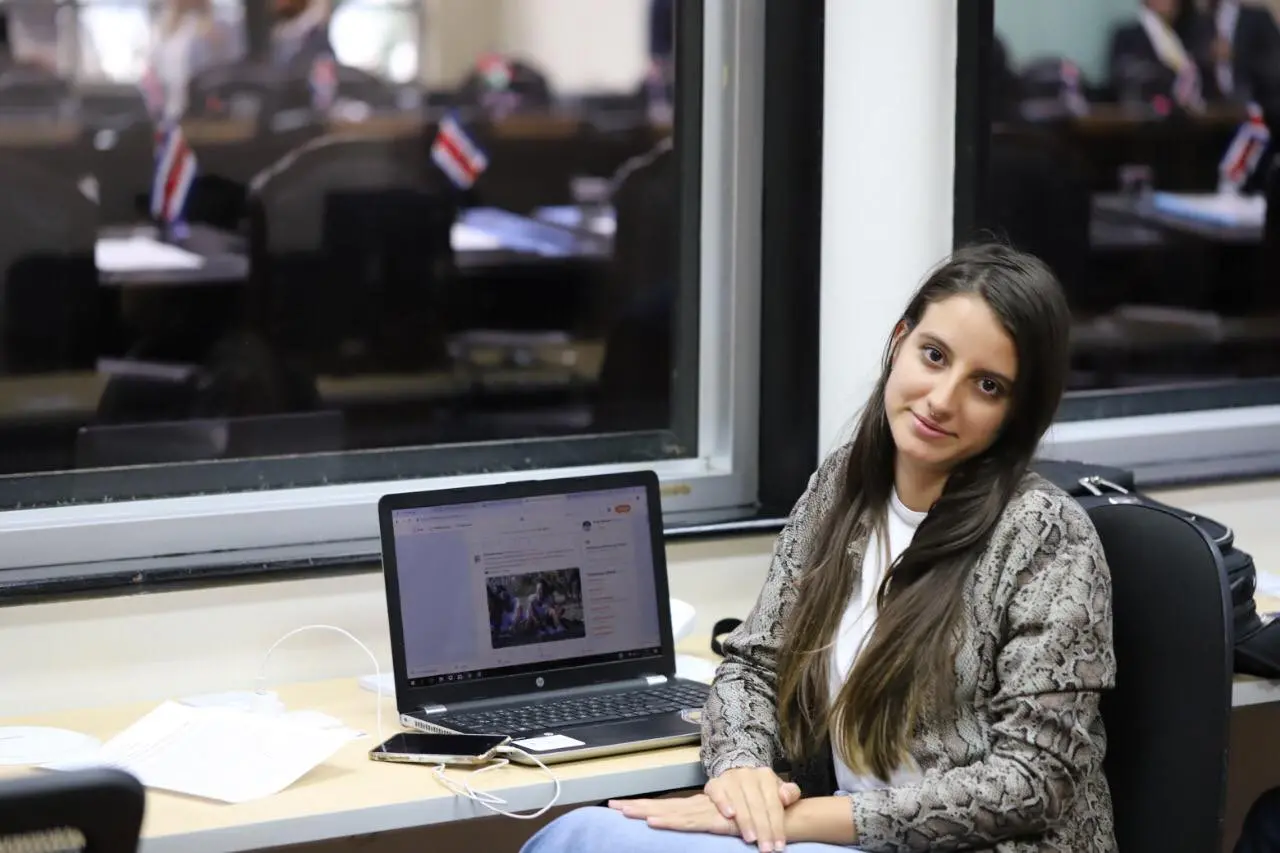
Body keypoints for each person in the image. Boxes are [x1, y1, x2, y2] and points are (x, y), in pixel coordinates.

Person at [520, 244, 1116, 853]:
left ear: (1015, 414)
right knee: (580, 835)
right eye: (933, 356)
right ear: (899, 340)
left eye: (986, 386)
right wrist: (742, 772)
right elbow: (754, 666)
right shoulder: (845, 486)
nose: (941, 398)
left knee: (582, 841)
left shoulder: (1046, 534)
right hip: (838, 838)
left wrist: (801, 820)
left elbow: (1034, 781)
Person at [149, 0, 243, 120]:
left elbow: (235, 71)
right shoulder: (162, 30)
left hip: (208, 117)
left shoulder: (223, 24)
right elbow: (153, 73)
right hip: (170, 114)